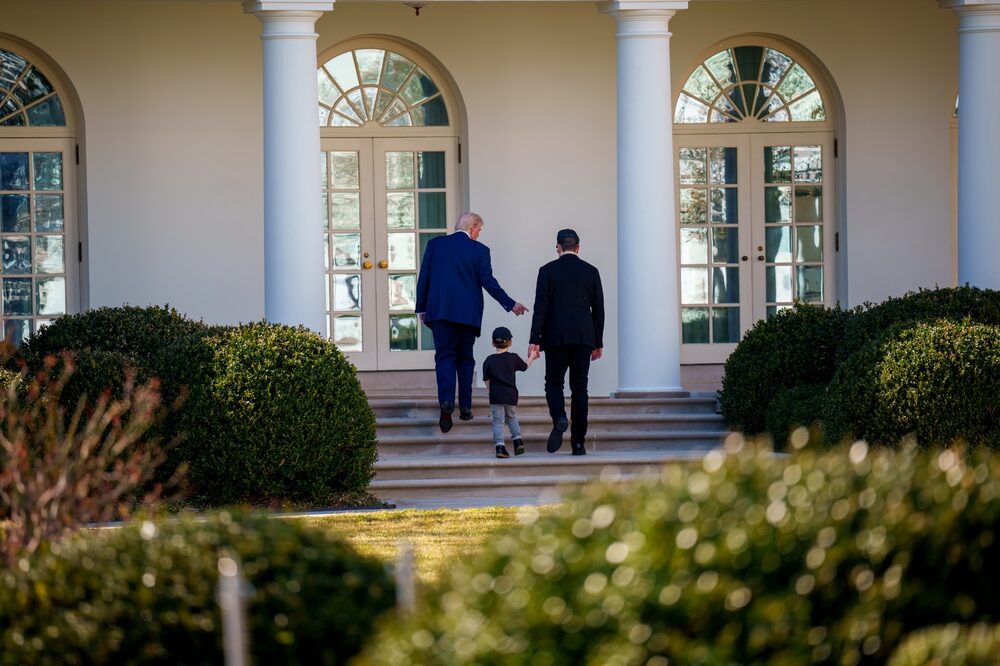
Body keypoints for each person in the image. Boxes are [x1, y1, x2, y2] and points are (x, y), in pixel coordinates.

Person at [416, 212, 528, 433]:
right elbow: (488, 282)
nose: (479, 235)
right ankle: (465, 407)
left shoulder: (435, 245)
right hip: (468, 315)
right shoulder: (480, 250)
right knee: (465, 358)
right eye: (479, 230)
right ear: (473, 228)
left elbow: (425, 277)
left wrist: (422, 307)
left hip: (439, 312)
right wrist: (510, 304)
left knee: (445, 357)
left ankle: (446, 403)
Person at [528, 228, 605, 456]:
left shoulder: (546, 271)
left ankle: (560, 417)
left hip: (555, 337)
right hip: (583, 337)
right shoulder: (591, 271)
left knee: (553, 383)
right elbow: (598, 310)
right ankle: (578, 444)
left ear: (558, 247)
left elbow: (540, 309)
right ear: (578, 248)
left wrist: (535, 340)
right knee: (580, 388)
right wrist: (597, 341)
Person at [483, 326, 540, 458]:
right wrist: (532, 356)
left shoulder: (489, 360)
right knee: (512, 418)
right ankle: (517, 441)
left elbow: (486, 379)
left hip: (496, 395)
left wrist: (491, 390)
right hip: (511, 395)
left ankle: (500, 447)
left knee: (498, 421)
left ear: (492, 343)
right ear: (510, 342)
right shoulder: (513, 358)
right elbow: (525, 367)